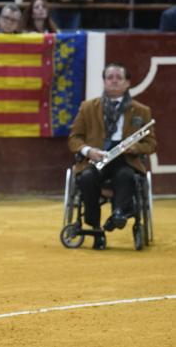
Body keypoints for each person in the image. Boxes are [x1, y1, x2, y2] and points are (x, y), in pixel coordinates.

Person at [68, 63, 157, 250]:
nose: (114, 81)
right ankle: (95, 227)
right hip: (97, 157)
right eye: (110, 78)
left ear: (127, 83)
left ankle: (118, 214)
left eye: (119, 78)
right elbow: (74, 138)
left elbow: (151, 144)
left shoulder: (142, 111)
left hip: (125, 159)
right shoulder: (88, 108)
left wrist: (133, 149)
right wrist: (87, 151)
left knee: (126, 175)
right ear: (104, 82)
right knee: (86, 178)